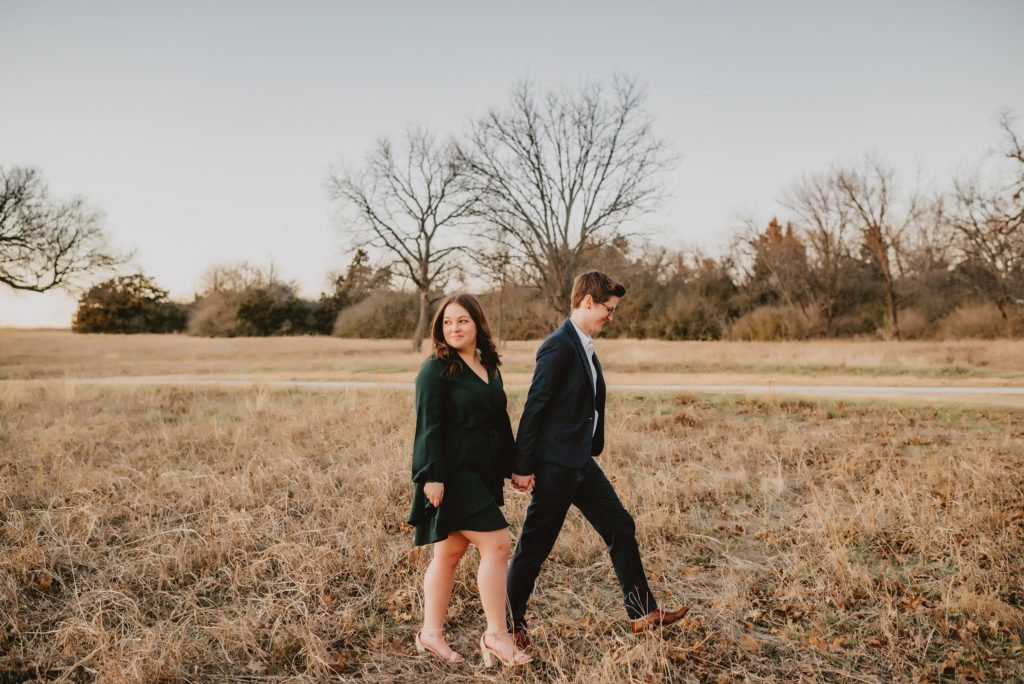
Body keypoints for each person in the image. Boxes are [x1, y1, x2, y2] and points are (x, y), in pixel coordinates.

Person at [506, 271, 690, 647]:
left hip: (581, 463)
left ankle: (642, 613)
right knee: (534, 549)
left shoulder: (584, 345)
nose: (612, 316)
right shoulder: (558, 347)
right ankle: (508, 625)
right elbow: (533, 409)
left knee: (620, 526)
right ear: (588, 302)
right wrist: (522, 467)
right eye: (609, 309)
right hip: (556, 465)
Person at [407, 293, 532, 667]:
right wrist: (432, 476)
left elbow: (500, 421)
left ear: (477, 323)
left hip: (482, 470)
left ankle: (431, 634)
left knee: (449, 553)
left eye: (462, 320)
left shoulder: (487, 364)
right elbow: (427, 425)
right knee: (497, 546)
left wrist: (515, 466)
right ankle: (496, 635)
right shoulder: (435, 369)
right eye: (447, 322)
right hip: (452, 473)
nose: (454, 328)